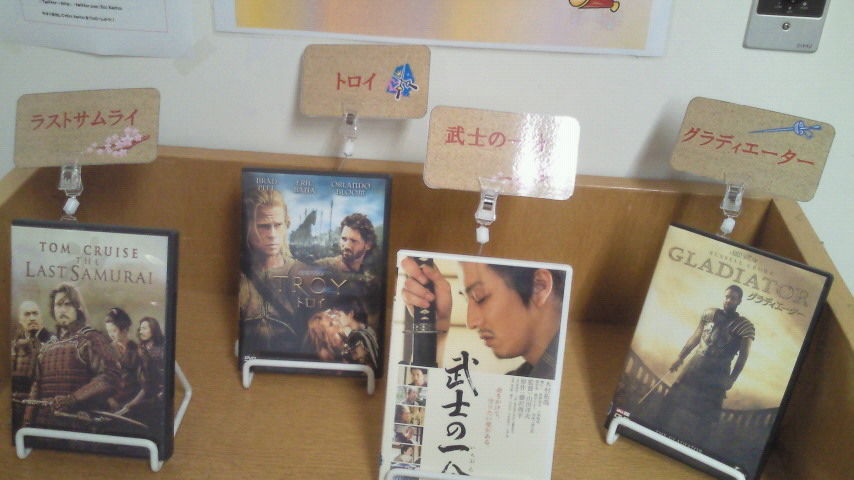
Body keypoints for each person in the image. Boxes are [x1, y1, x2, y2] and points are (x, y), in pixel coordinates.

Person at [400, 258, 565, 379]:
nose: (471, 322)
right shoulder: (518, 382)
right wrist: (436, 326)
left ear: (539, 286)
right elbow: (420, 413)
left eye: (480, 297)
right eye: (467, 301)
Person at [656, 285, 755, 443]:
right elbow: (696, 337)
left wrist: (732, 378)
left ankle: (695, 446)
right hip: (696, 365)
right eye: (727, 296)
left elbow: (743, 357)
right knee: (671, 401)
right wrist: (680, 357)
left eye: (733, 298)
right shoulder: (709, 314)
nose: (729, 300)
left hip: (718, 373)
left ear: (739, 301)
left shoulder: (744, 326)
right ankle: (656, 432)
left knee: (707, 416)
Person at [23, 284, 121, 430]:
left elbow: (109, 377)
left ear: (78, 308)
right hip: (44, 426)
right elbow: (36, 388)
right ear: (53, 309)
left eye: (68, 304)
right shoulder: (47, 347)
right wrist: (27, 424)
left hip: (78, 425)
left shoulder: (91, 339)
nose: (62, 310)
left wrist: (73, 399)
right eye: (58, 305)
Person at [239, 188, 308, 354]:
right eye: (263, 226)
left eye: (278, 225)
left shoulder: (303, 273)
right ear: (248, 228)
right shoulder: (239, 277)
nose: (272, 234)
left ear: (286, 225)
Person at [11, 300, 56, 429]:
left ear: (41, 317)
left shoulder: (54, 341)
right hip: (16, 404)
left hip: (42, 405)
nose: (32, 318)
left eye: (35, 313)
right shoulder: (14, 344)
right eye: (27, 314)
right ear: (20, 319)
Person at [104, 307, 145, 417]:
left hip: (132, 403)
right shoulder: (107, 350)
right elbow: (102, 379)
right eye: (108, 331)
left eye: (114, 331)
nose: (111, 335)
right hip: (109, 402)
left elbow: (145, 386)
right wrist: (109, 399)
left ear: (125, 329)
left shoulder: (138, 351)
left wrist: (131, 405)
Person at [138, 316, 166, 402]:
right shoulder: (142, 347)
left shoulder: (162, 348)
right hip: (146, 388)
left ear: (153, 330)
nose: (141, 332)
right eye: (140, 329)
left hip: (160, 391)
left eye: (144, 328)